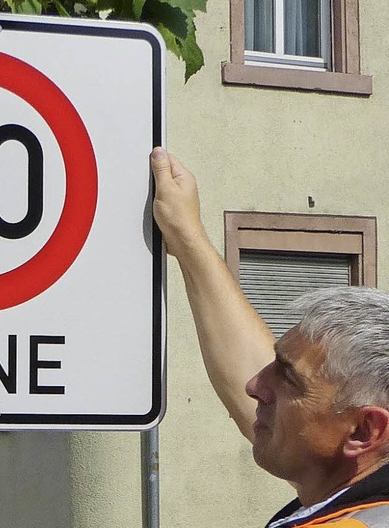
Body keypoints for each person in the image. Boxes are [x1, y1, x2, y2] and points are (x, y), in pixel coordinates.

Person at [151, 146, 389, 527]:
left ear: (364, 430)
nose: (252, 385)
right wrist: (186, 237)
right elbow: (271, 404)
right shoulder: (341, 489)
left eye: (288, 378)